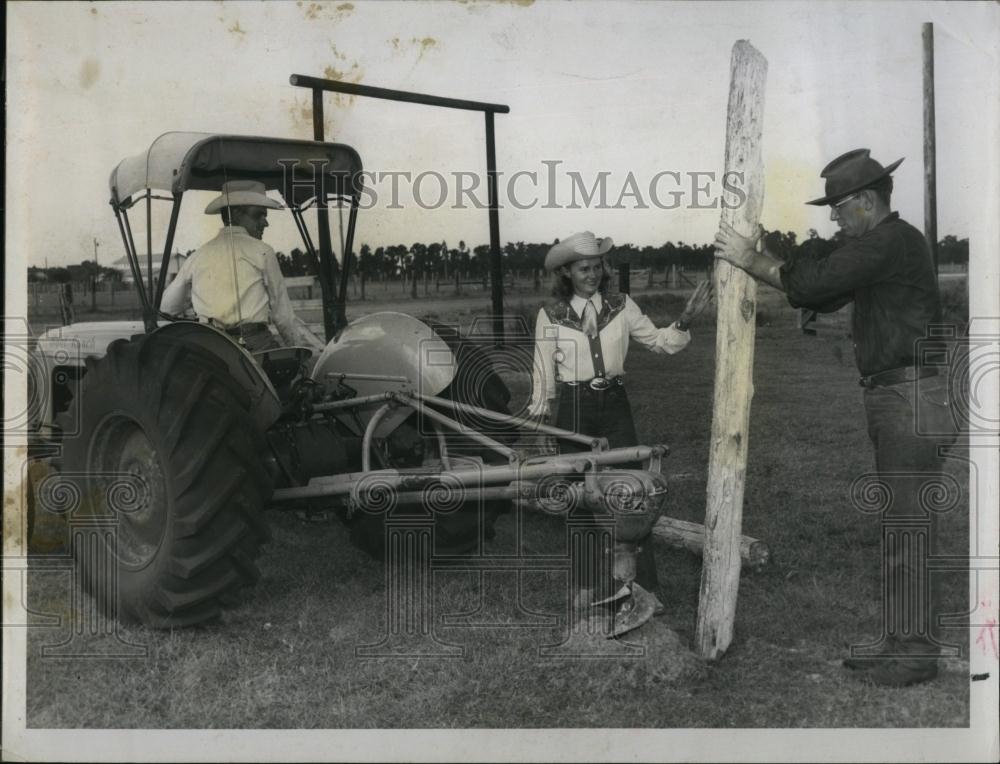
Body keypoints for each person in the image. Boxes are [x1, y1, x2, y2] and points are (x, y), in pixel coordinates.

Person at [713, 148, 958, 687]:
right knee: (902, 526)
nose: (833, 218)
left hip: (909, 400)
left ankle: (914, 653)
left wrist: (750, 259)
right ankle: (901, 643)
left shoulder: (889, 242)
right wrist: (771, 260)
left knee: (907, 528)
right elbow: (820, 292)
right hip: (903, 398)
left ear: (866, 202)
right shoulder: (882, 249)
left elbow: (812, 284)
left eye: (838, 207)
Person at [528, 231, 712, 628]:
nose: (592, 275)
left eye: (597, 267)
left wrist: (684, 320)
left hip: (614, 405)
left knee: (633, 494)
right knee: (577, 497)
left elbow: (661, 343)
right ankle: (585, 586)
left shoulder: (622, 306)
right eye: (583, 269)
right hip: (573, 411)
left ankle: (645, 588)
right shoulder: (551, 314)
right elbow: (542, 370)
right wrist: (541, 415)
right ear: (566, 272)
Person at [161, 179, 324, 353]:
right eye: (258, 215)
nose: (265, 223)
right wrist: (296, 351)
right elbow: (283, 315)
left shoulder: (198, 255)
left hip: (210, 345)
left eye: (265, 216)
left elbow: (168, 307)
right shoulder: (263, 251)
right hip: (254, 344)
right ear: (236, 214)